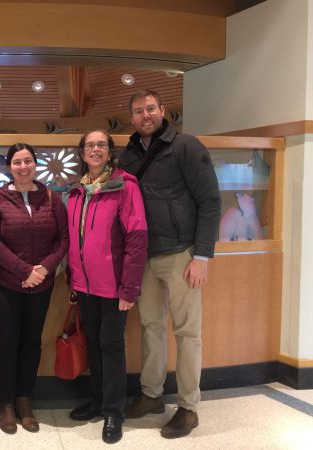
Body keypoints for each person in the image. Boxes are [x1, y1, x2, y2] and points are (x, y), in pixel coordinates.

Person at [118, 90, 221, 439]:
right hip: (143, 256)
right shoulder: (128, 155)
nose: (145, 115)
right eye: (138, 111)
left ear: (163, 111)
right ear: (131, 118)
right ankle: (151, 395)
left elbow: (210, 201)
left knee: (187, 332)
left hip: (181, 254)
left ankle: (189, 408)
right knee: (150, 326)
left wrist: (202, 256)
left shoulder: (186, 146)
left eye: (150, 109)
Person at [66, 129, 148, 444]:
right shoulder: (77, 189)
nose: (96, 149)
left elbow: (137, 239)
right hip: (85, 285)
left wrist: (129, 288)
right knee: (94, 343)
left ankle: (114, 411)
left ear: (110, 152)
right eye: (90, 145)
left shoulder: (125, 186)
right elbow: (75, 240)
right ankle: (98, 400)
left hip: (114, 287)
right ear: (82, 152)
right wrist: (73, 279)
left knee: (111, 346)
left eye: (102, 145)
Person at [0, 143, 69, 434]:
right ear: (10, 167)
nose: (23, 167)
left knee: (32, 343)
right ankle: (6, 404)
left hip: (41, 286)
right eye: (17, 162)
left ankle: (24, 401)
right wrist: (24, 271)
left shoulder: (51, 198)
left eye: (28, 161)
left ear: (35, 164)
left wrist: (44, 269)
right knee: (7, 344)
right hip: (8, 285)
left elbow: (63, 239)